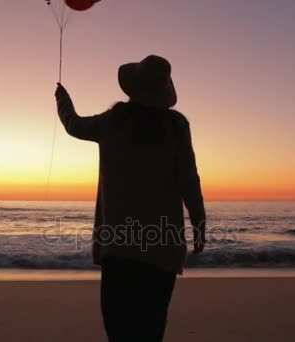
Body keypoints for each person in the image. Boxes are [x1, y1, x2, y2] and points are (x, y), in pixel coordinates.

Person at [55, 55, 206, 342]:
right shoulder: (176, 126)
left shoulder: (114, 121)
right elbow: (189, 179)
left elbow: (73, 125)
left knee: (119, 328)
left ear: (133, 88)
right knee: (152, 328)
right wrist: (199, 224)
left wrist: (63, 100)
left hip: (119, 246)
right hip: (162, 247)